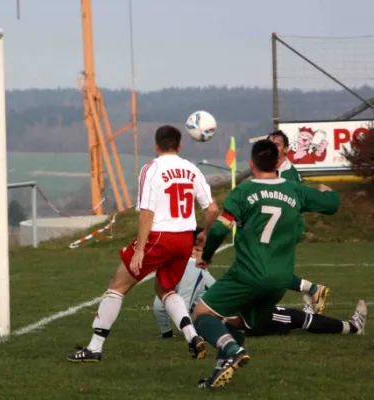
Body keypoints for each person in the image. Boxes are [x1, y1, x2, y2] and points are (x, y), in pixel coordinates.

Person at [192, 139, 341, 389]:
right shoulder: (296, 190)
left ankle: (232, 350)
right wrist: (328, 192)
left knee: (201, 314)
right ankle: (219, 372)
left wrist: (206, 255)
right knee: (235, 322)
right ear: (277, 162)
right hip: (280, 281)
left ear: (252, 164)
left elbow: (219, 228)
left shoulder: (245, 191)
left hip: (248, 275)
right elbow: (333, 205)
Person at [66, 125, 219, 363]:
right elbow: (212, 209)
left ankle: (94, 348)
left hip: (159, 237)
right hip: (184, 239)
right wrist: (204, 235)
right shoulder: (192, 169)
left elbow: (146, 212)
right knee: (165, 289)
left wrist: (139, 250)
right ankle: (192, 336)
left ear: (156, 146)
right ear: (179, 146)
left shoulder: (151, 168)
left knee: (117, 285)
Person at [153, 236, 366, 339]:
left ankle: (311, 299)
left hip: (227, 319)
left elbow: (159, 304)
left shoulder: (171, 272)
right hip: (245, 321)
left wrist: (168, 332)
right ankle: (352, 327)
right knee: (295, 318)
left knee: (288, 312)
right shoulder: (194, 271)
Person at [268, 130, 329, 314]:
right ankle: (313, 291)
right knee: (270, 268)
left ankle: (311, 291)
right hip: (276, 227)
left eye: (277, 144)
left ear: (286, 149)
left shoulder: (288, 174)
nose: (272, 147)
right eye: (269, 143)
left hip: (287, 227)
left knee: (268, 269)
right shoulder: (272, 169)